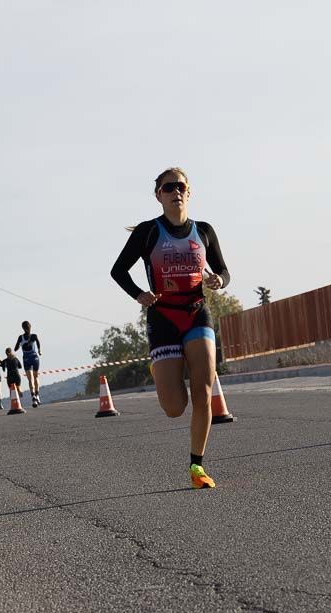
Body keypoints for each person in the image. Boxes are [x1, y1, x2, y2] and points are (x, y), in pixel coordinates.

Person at [110, 167, 231, 489]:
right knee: (175, 408)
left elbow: (223, 270)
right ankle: (163, 370)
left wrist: (219, 281)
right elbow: (118, 271)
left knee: (204, 390)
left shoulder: (203, 230)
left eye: (181, 186)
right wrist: (139, 295)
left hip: (196, 313)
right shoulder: (149, 232)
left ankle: (197, 467)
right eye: (168, 187)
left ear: (189, 192)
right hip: (162, 318)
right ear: (158, 195)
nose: (175, 191)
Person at [13, 321, 43, 407]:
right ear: (30, 327)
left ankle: (34, 396)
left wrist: (20, 345)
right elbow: (38, 343)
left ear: (23, 328)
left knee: (31, 379)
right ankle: (35, 396)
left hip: (28, 358)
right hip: (33, 357)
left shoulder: (22, 337)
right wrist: (39, 351)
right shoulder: (33, 336)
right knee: (35, 377)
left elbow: (15, 349)